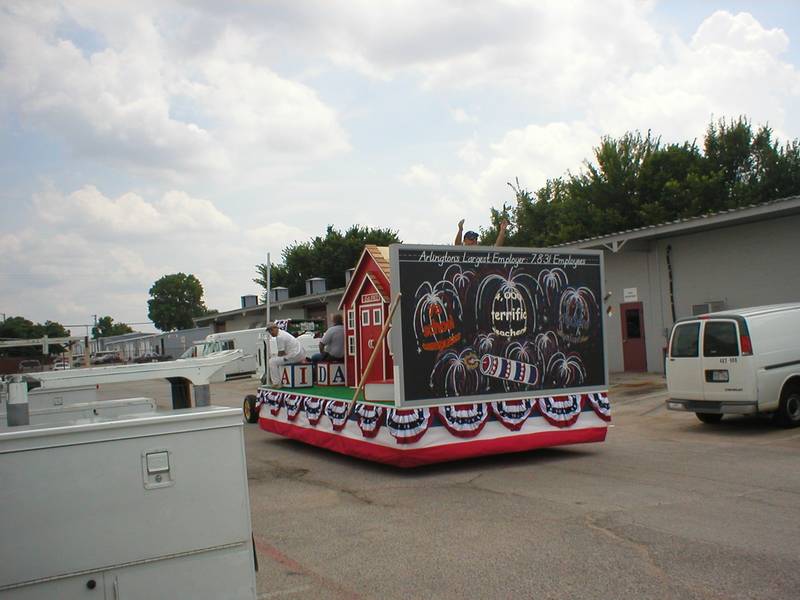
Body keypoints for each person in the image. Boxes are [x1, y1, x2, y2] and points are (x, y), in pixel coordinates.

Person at [267, 322, 307, 388]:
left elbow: (281, 353)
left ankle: (277, 383)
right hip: (300, 354)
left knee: (272, 362)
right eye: (269, 331)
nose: (270, 333)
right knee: (276, 359)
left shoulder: (279, 337)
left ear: (276, 328)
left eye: (271, 330)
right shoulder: (283, 333)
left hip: (295, 356)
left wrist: (275, 357)